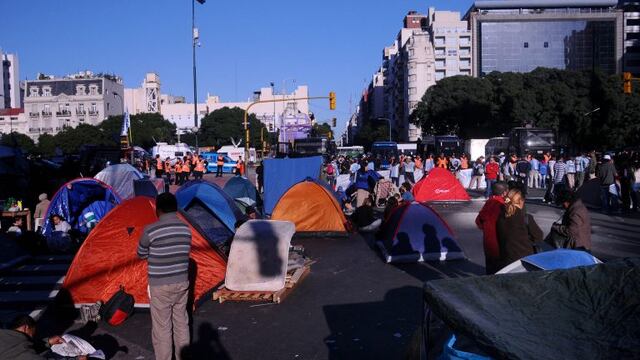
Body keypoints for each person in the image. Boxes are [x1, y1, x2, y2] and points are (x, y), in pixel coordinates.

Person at [137, 193, 191, 360]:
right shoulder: (186, 229)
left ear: (158, 210)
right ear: (175, 208)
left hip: (160, 284)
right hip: (182, 282)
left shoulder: (151, 230)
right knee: (182, 324)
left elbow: (140, 253)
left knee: (162, 328)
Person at [496, 189, 543, 269]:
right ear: (521, 201)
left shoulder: (501, 217)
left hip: (507, 258)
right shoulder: (526, 218)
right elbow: (539, 236)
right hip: (525, 258)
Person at [0, 314, 78, 360]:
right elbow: (24, 350)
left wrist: (48, 342)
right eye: (32, 334)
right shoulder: (22, 350)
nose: (32, 337)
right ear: (25, 328)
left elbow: (18, 347)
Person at [475, 181, 508, 274]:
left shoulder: (489, 203)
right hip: (500, 241)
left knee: (490, 267)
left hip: (488, 240)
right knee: (501, 269)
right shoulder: (503, 205)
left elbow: (478, 221)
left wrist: (486, 228)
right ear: (505, 193)